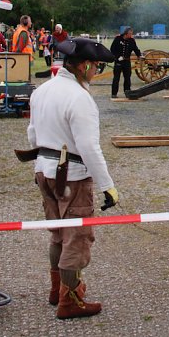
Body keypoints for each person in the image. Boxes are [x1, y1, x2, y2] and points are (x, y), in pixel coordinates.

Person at [25, 37, 119, 319]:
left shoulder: (42, 90)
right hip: (72, 176)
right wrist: (108, 186)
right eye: (97, 67)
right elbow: (89, 147)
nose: (97, 72)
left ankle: (58, 290)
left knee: (57, 235)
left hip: (44, 169)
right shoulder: (80, 98)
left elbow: (32, 133)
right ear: (85, 65)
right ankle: (70, 301)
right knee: (76, 239)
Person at [109, 27, 142, 99]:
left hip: (127, 61)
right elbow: (112, 49)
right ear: (126, 34)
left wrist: (139, 56)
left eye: (131, 34)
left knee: (127, 78)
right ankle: (114, 94)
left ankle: (127, 92)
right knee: (116, 78)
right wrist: (117, 57)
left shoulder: (132, 40)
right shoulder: (118, 39)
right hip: (118, 61)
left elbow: (136, 49)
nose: (131, 35)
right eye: (130, 34)